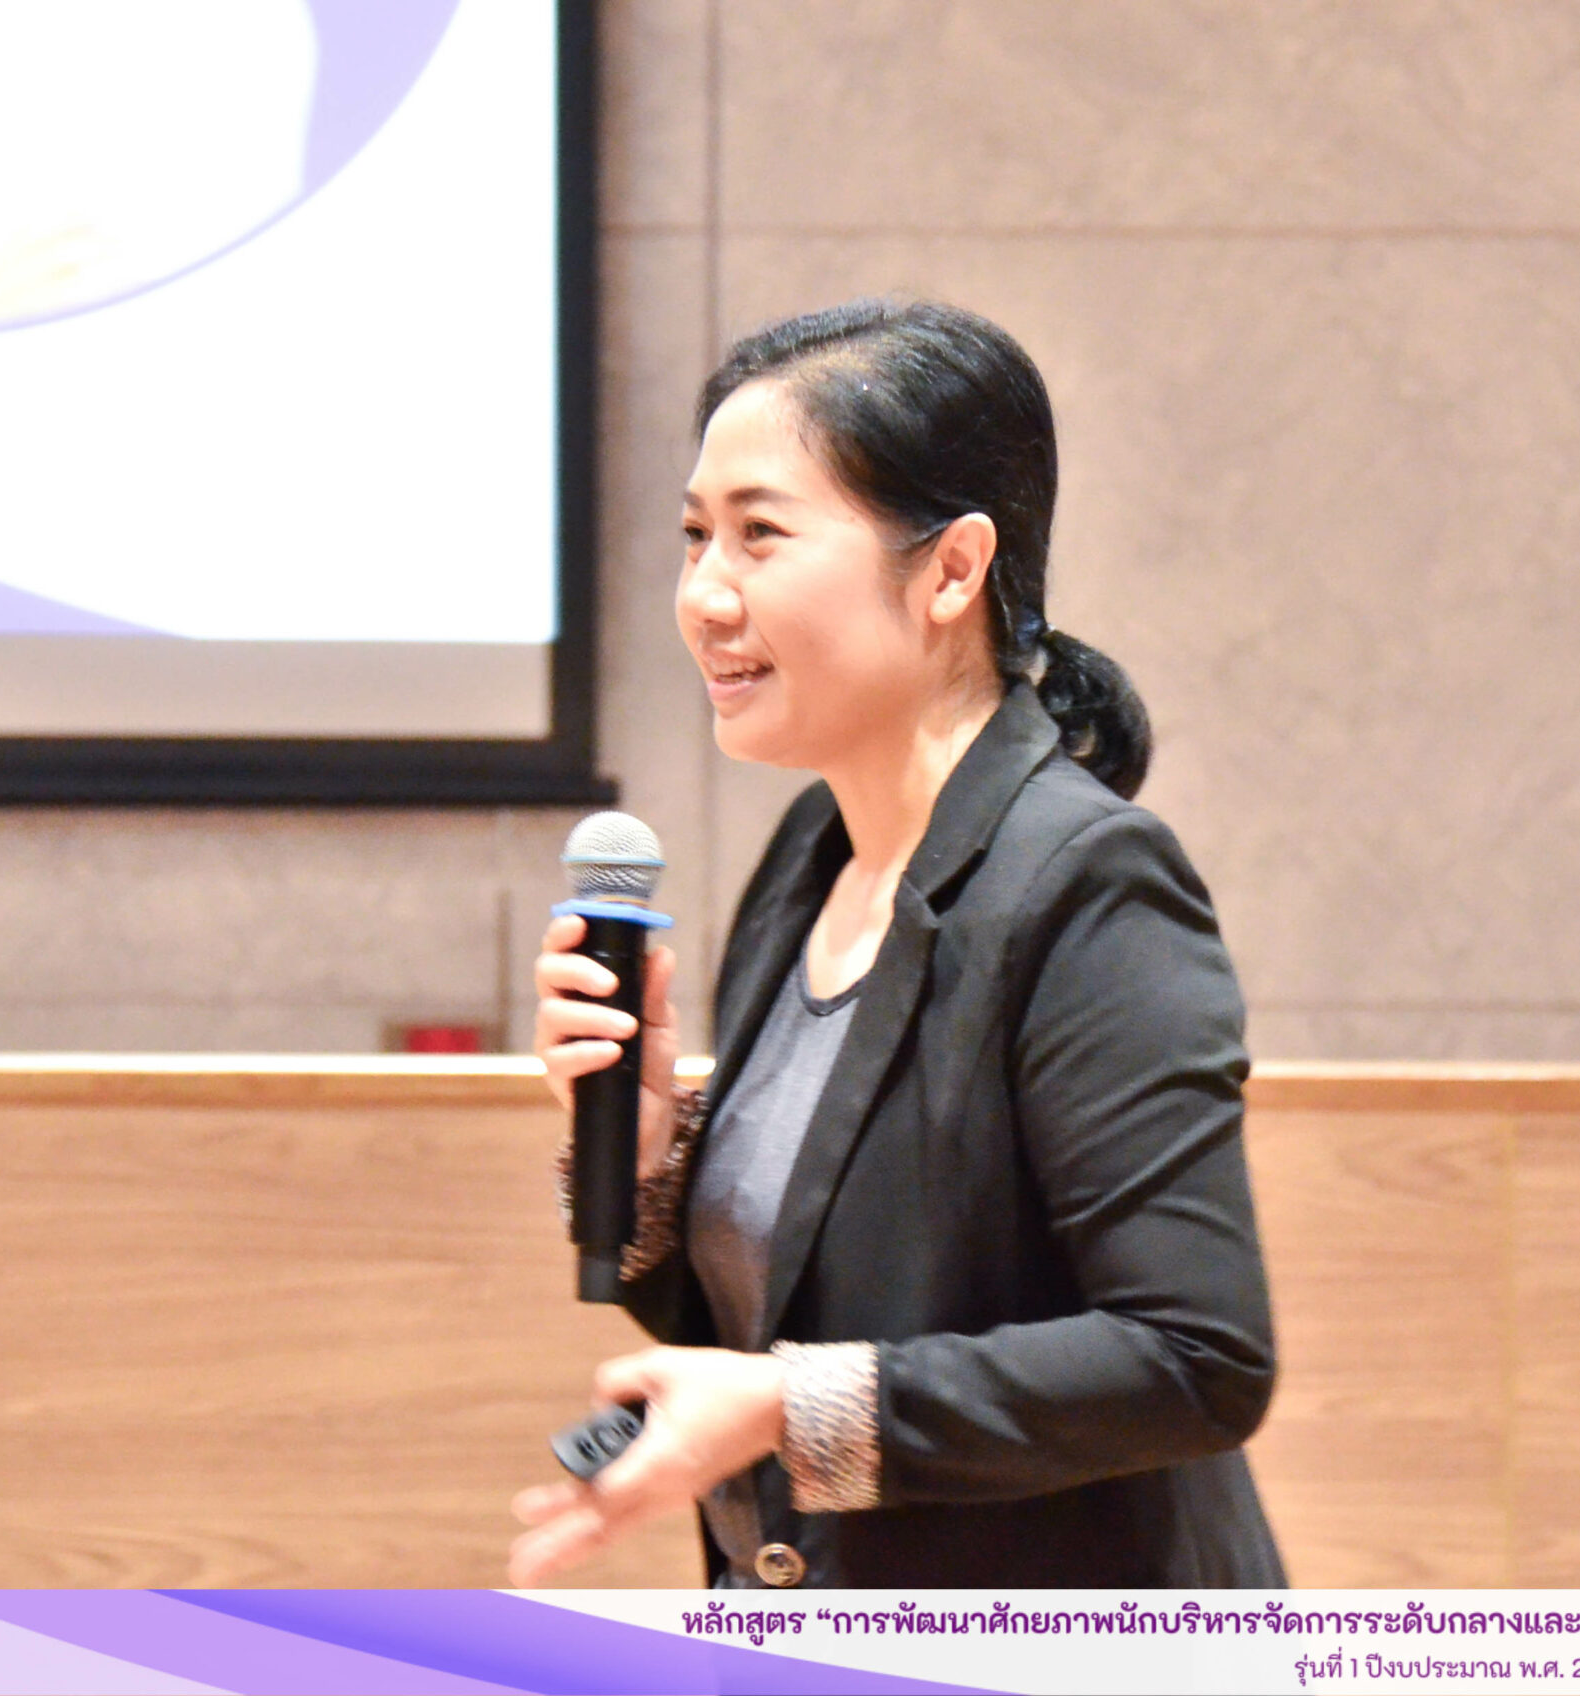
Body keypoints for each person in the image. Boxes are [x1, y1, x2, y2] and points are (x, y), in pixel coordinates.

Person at [510, 298, 1285, 1590]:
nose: (704, 595)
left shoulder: (1089, 883)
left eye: (760, 535)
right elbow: (781, 1319)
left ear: (952, 570)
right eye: (696, 535)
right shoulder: (809, 860)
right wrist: (646, 1163)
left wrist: (782, 1410)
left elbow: (1196, 1358)